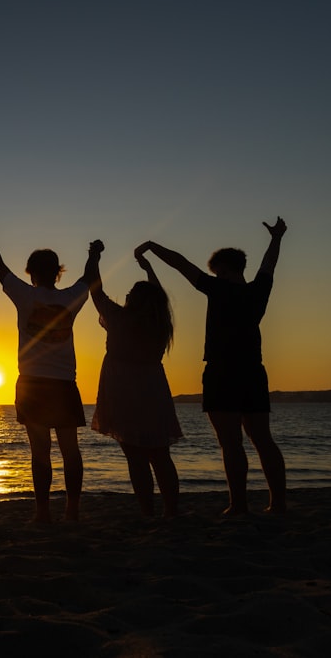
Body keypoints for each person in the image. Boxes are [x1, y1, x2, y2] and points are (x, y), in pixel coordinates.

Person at [136, 217, 288, 515]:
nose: (214, 276)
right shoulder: (259, 290)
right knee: (262, 440)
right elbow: (270, 263)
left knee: (230, 443)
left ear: (225, 270)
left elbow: (181, 264)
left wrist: (152, 246)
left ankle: (239, 505)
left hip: (222, 371)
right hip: (253, 371)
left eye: (217, 272)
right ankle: (278, 504)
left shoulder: (219, 289)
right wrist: (277, 237)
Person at [0, 214, 97, 523]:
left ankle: (42, 512)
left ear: (31, 273)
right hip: (64, 383)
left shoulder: (25, 294)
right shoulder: (70, 297)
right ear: (58, 272)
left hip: (34, 383)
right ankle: (72, 510)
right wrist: (94, 254)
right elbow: (90, 278)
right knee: (70, 451)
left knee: (40, 452)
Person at [88, 240, 182, 517]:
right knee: (160, 455)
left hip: (122, 388)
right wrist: (149, 268)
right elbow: (159, 296)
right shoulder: (160, 323)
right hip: (153, 388)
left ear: (133, 299)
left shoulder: (119, 318)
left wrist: (94, 256)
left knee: (135, 457)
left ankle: (147, 511)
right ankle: (171, 510)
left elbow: (95, 288)